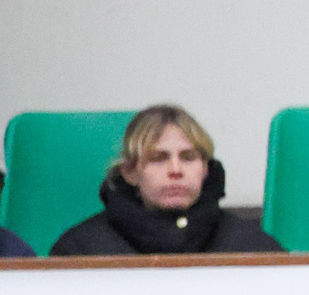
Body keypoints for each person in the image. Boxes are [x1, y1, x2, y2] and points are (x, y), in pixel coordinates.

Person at [49, 106, 283, 256]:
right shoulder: (80, 252)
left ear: (205, 170)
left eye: (188, 157)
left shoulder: (253, 249)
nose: (175, 170)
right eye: (158, 159)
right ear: (130, 172)